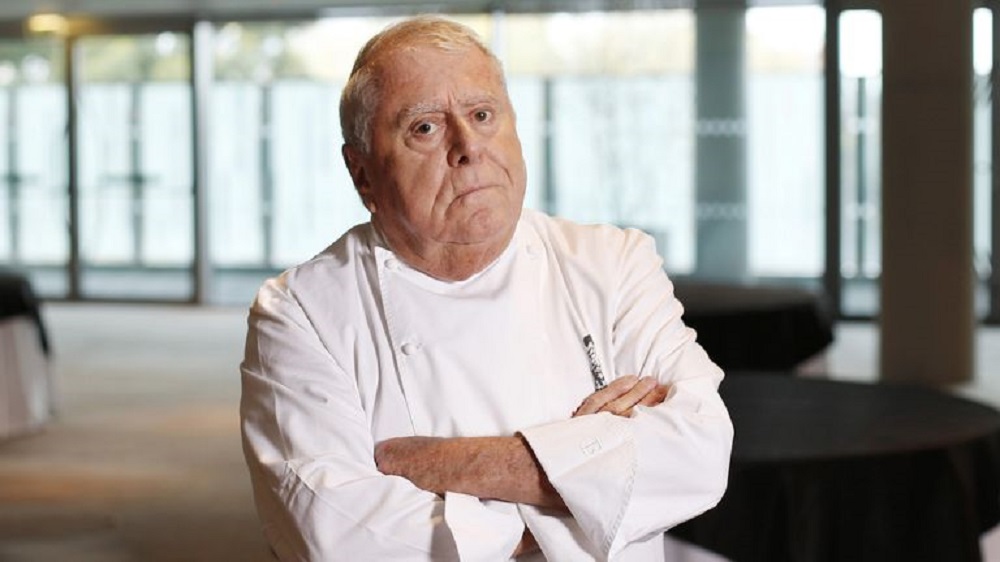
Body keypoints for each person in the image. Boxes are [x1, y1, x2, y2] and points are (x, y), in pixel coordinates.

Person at [240, 15, 733, 562]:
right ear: (362, 174)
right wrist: (595, 494)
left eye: (481, 114)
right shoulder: (300, 312)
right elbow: (337, 536)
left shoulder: (611, 262)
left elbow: (699, 454)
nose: (468, 146)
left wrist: (439, 463)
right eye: (425, 128)